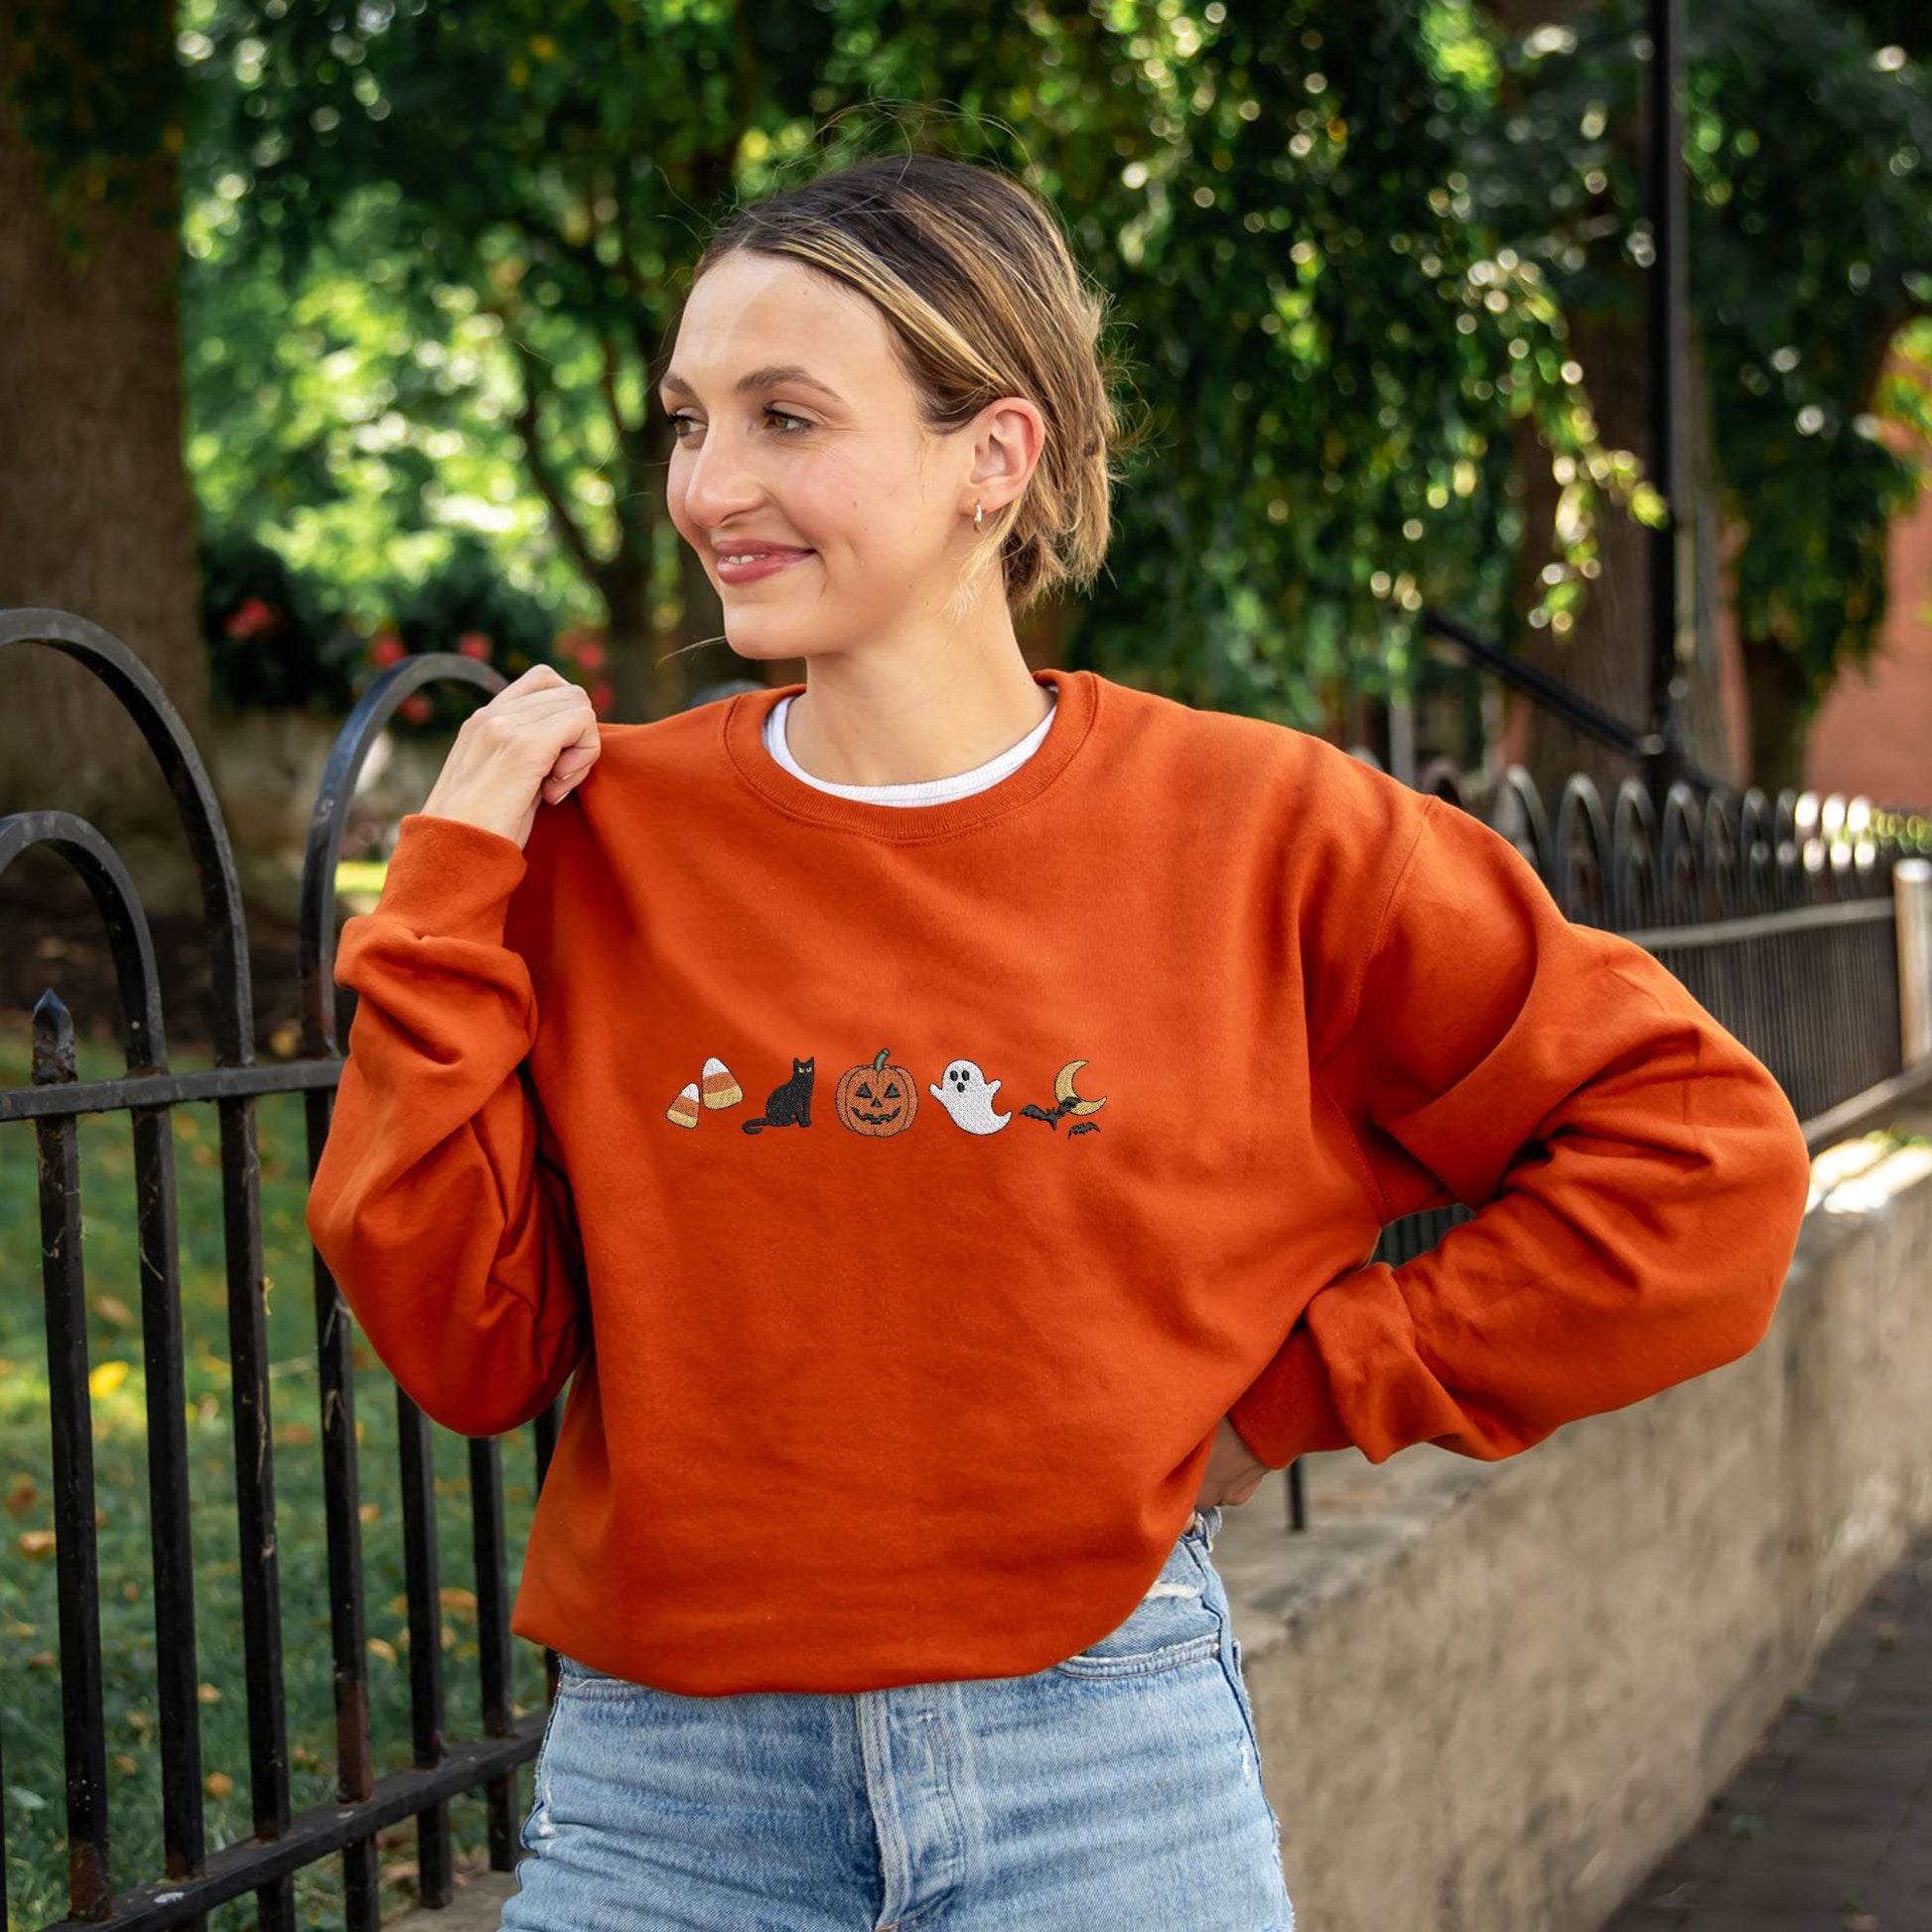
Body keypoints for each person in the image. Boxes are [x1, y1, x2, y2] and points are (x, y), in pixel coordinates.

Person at [305, 149, 1816, 1932]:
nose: (709, 486)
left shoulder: (1268, 830)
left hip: (1101, 1771)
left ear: (993, 456)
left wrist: (1308, 1389)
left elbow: (1704, 1162)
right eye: (687, 421)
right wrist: (449, 885)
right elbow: (469, 1347)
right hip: (668, 1801)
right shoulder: (588, 839)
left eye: (786, 417)